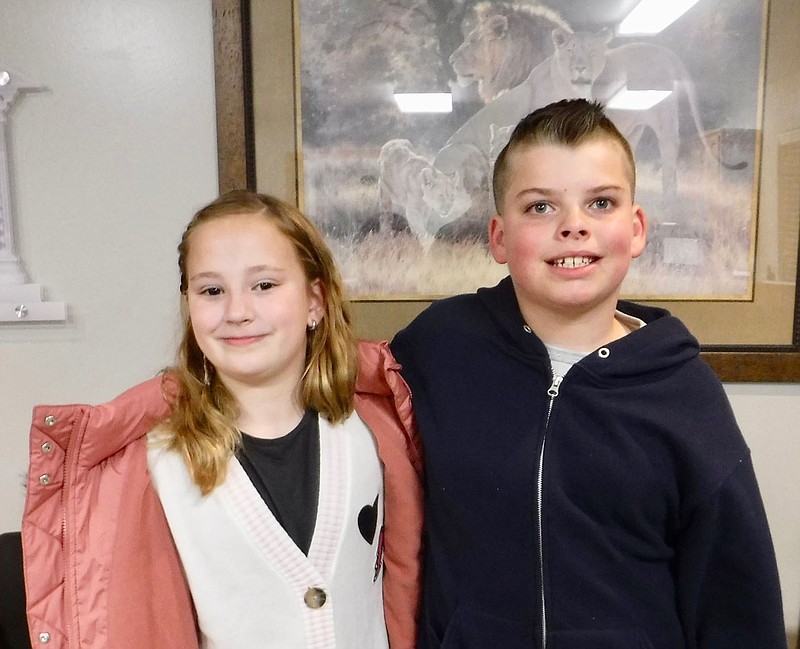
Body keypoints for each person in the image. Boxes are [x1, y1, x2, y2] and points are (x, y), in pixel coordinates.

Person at [391, 99, 787, 649]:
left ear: (637, 227)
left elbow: (735, 595)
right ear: (499, 237)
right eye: (540, 208)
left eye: (600, 203)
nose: (573, 227)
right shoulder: (439, 343)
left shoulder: (686, 394)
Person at [22, 190, 423, 649]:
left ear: (316, 300)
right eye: (212, 291)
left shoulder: (377, 429)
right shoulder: (151, 464)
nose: (237, 312)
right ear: (190, 306)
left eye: (265, 285)